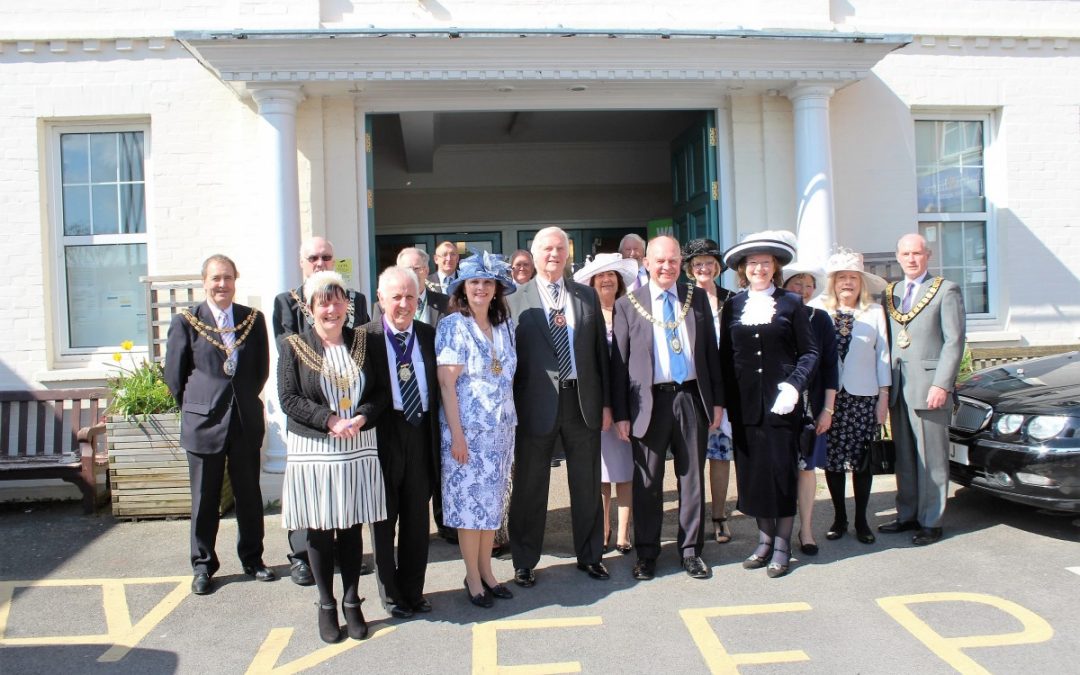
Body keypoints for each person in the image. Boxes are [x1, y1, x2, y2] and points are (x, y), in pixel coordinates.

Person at [277, 270, 388, 643]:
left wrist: (361, 416)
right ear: (310, 309)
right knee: (321, 530)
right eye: (324, 301)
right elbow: (289, 399)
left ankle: (353, 601)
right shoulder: (292, 346)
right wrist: (328, 420)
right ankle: (326, 603)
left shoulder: (364, 340)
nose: (332, 308)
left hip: (357, 446)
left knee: (353, 526)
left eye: (338, 299)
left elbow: (381, 393)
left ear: (347, 305)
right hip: (316, 450)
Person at [611, 235, 723, 581]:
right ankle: (647, 553)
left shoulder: (698, 298)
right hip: (649, 402)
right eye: (660, 260)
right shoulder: (628, 303)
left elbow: (710, 356)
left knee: (691, 479)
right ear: (646, 262)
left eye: (673, 260)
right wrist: (621, 414)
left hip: (690, 398)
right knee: (647, 483)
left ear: (681, 264)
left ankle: (690, 551)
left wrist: (717, 402)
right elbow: (619, 364)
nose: (666, 266)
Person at [163, 254, 273, 596]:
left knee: (249, 496)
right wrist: (200, 405)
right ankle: (203, 566)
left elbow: (260, 370)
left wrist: (238, 400)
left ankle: (253, 559)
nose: (221, 284)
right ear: (204, 282)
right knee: (205, 499)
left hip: (243, 420)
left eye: (227, 277)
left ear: (235, 279)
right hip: (203, 423)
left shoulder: (252, 319)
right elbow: (173, 376)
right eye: (215, 279)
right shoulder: (187, 321)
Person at [507, 226, 611, 587]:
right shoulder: (512, 300)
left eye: (560, 248)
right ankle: (523, 559)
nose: (554, 254)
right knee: (530, 485)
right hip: (534, 405)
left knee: (586, 483)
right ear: (533, 256)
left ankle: (591, 555)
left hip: (582, 401)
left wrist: (607, 405)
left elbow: (601, 356)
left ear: (568, 254)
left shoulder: (586, 297)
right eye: (546, 249)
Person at [272, 236, 371, 586]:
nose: (320, 262)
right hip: (310, 415)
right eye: (313, 257)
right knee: (311, 499)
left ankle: (346, 557)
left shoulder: (355, 299)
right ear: (302, 262)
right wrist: (326, 416)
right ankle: (303, 557)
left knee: (345, 493)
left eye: (326, 256)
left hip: (351, 412)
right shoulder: (286, 301)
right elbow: (289, 350)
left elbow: (363, 347)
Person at [719, 231, 818, 579]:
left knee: (780, 474)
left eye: (765, 262)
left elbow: (810, 352)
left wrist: (794, 385)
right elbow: (725, 358)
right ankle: (763, 542)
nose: (758, 268)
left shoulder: (791, 303)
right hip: (745, 406)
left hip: (781, 404)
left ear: (774, 266)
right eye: (752, 263)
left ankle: (782, 545)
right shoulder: (732, 306)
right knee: (753, 476)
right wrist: (726, 407)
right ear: (743, 270)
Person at [436, 250, 518, 608]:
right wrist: (456, 435)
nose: (481, 288)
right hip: (467, 433)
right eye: (474, 282)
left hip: (500, 432)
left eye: (487, 282)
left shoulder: (504, 326)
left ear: (497, 288)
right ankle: (472, 576)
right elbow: (446, 384)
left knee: (491, 506)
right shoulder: (453, 325)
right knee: (469, 510)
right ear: (463, 288)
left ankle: (487, 570)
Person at [879, 233, 965, 546]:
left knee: (932, 457)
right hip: (900, 385)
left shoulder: (945, 290)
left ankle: (932, 521)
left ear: (927, 255)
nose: (911, 259)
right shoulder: (892, 292)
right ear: (898, 256)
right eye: (906, 254)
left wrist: (942, 383)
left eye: (917, 253)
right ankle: (908, 514)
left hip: (930, 387)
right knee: (905, 455)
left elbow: (954, 341)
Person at [366, 266, 440, 620]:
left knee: (415, 519)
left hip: (420, 431)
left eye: (410, 297)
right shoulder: (364, 338)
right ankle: (391, 595)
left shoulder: (429, 334)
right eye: (396, 297)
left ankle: (413, 590)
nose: (403, 304)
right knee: (384, 520)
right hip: (383, 433)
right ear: (381, 299)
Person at [809, 249, 891, 546]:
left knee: (862, 461)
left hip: (863, 396)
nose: (847, 283)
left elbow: (883, 357)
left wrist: (883, 398)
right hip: (830, 399)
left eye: (853, 278)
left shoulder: (874, 311)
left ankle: (861, 520)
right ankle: (839, 517)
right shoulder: (817, 308)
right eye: (842, 277)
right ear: (833, 282)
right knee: (833, 461)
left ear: (861, 282)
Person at [376, 247, 453, 546]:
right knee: (388, 507)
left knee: (422, 494)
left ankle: (441, 522)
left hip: (424, 415)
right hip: (389, 422)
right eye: (408, 268)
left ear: (426, 272)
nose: (414, 274)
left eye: (419, 269)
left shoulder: (441, 309)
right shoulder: (371, 325)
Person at [572, 252, 639, 555]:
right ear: (593, 282)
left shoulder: (630, 310)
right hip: (597, 405)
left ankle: (623, 532)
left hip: (628, 404)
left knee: (625, 470)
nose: (607, 280)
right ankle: (603, 528)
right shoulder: (585, 315)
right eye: (601, 276)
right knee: (601, 474)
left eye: (612, 275)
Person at [682, 238, 738, 546]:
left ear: (717, 267)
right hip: (691, 388)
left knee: (720, 454)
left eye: (709, 263)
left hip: (722, 387)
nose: (704, 267)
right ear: (690, 269)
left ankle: (719, 516)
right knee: (691, 458)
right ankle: (693, 518)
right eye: (697, 263)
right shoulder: (682, 298)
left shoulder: (731, 299)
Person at [781, 261, 836, 556]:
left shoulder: (821, 319)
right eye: (796, 284)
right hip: (776, 406)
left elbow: (830, 367)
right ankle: (780, 533)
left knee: (806, 468)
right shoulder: (773, 314)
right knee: (779, 468)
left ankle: (806, 529)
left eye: (808, 285)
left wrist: (827, 409)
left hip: (810, 405)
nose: (803, 290)